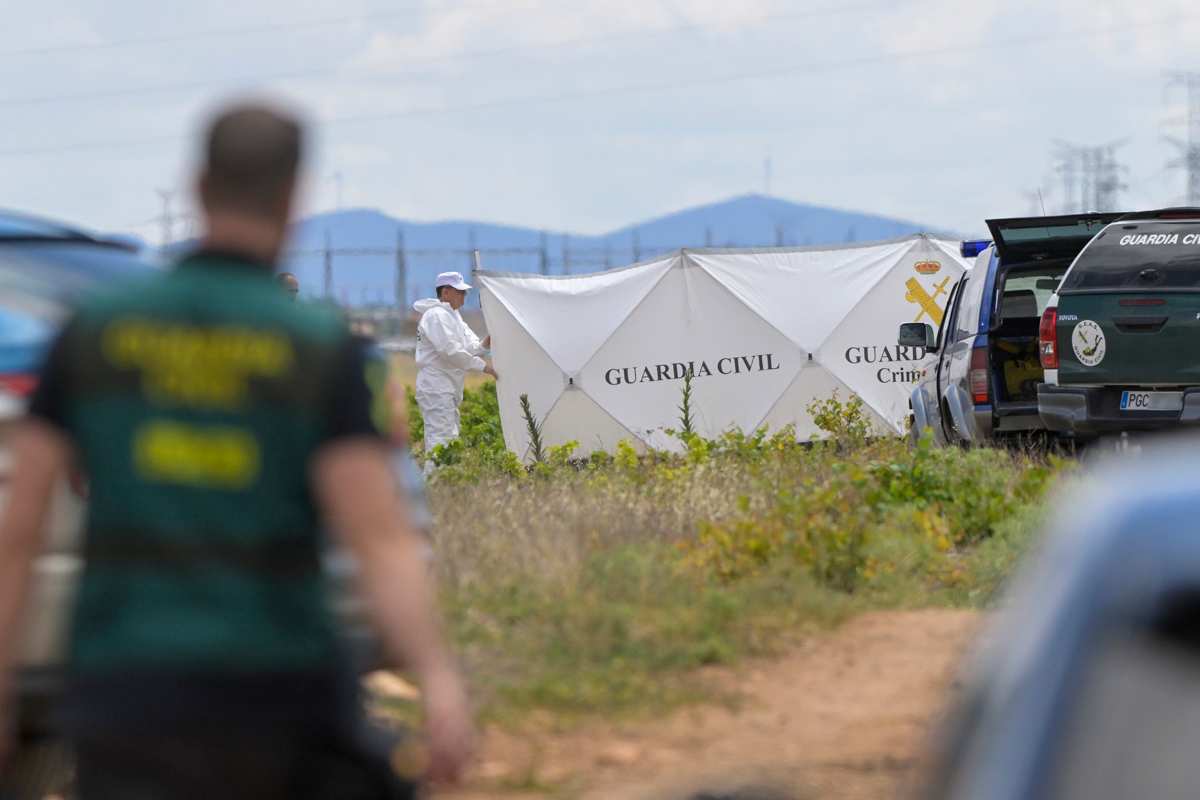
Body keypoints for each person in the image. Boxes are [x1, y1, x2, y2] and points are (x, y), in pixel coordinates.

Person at [0, 101, 472, 798]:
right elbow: (379, 539)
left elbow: (20, 529)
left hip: (125, 686)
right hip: (277, 681)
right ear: (293, 196)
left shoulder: (95, 332)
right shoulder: (317, 346)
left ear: (196, 186)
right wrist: (436, 677)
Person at [412, 272, 496, 460]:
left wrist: (484, 344)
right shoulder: (436, 316)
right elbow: (450, 350)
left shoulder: (453, 316)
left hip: (446, 387)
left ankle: (442, 483)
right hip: (436, 385)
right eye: (460, 292)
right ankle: (436, 483)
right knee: (441, 441)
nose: (463, 296)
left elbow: (468, 346)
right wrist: (484, 367)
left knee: (448, 438)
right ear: (446, 292)